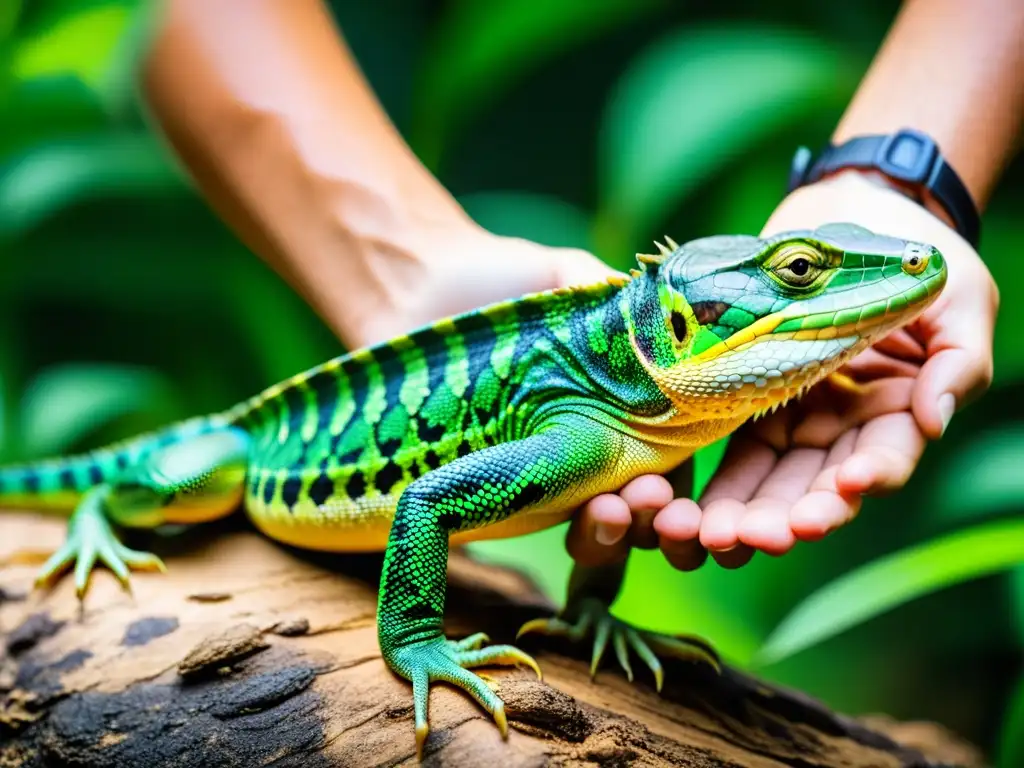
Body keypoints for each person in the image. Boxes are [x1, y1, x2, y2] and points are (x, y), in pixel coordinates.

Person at [139, 0, 1018, 574]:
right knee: (183, 488)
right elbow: (424, 499)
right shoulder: (592, 435)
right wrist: (416, 642)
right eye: (797, 276)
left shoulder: (651, 428)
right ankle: (97, 509)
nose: (909, 269)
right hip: (250, 460)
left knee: (629, 519)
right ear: (681, 329)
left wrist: (890, 192)